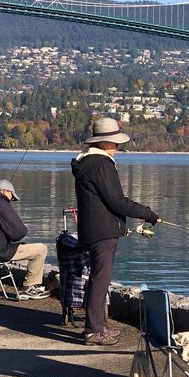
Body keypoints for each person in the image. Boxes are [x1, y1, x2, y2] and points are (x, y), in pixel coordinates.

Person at [72, 118, 160, 346]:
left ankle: (99, 326)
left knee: (99, 278)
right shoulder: (102, 165)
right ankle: (93, 330)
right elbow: (117, 202)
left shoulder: (87, 162)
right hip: (102, 230)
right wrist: (148, 214)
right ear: (104, 143)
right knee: (101, 280)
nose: (118, 147)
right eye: (115, 143)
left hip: (92, 228)